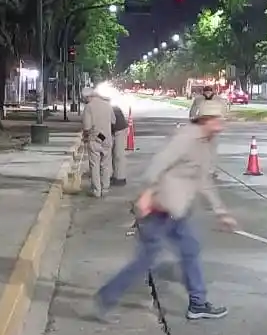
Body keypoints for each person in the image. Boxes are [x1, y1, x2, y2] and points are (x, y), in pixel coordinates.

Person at [93, 99, 236, 322]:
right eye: (217, 120)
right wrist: (147, 193)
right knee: (146, 260)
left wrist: (221, 211)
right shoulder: (186, 138)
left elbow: (203, 180)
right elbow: (158, 164)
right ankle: (107, 296)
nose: (221, 125)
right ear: (206, 120)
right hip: (161, 208)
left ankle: (198, 303)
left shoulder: (207, 143)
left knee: (190, 251)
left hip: (178, 210)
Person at [80, 87, 114, 197]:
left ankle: (97, 190)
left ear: (88, 97)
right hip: (106, 138)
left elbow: (87, 127)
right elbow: (114, 121)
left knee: (94, 165)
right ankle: (105, 188)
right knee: (106, 164)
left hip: (95, 138)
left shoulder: (89, 107)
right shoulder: (107, 105)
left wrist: (85, 137)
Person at [110, 101, 129, 187]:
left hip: (119, 130)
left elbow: (104, 129)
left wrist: (100, 138)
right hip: (115, 130)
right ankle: (115, 175)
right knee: (114, 154)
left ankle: (120, 178)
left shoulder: (107, 109)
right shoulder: (107, 107)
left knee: (118, 154)